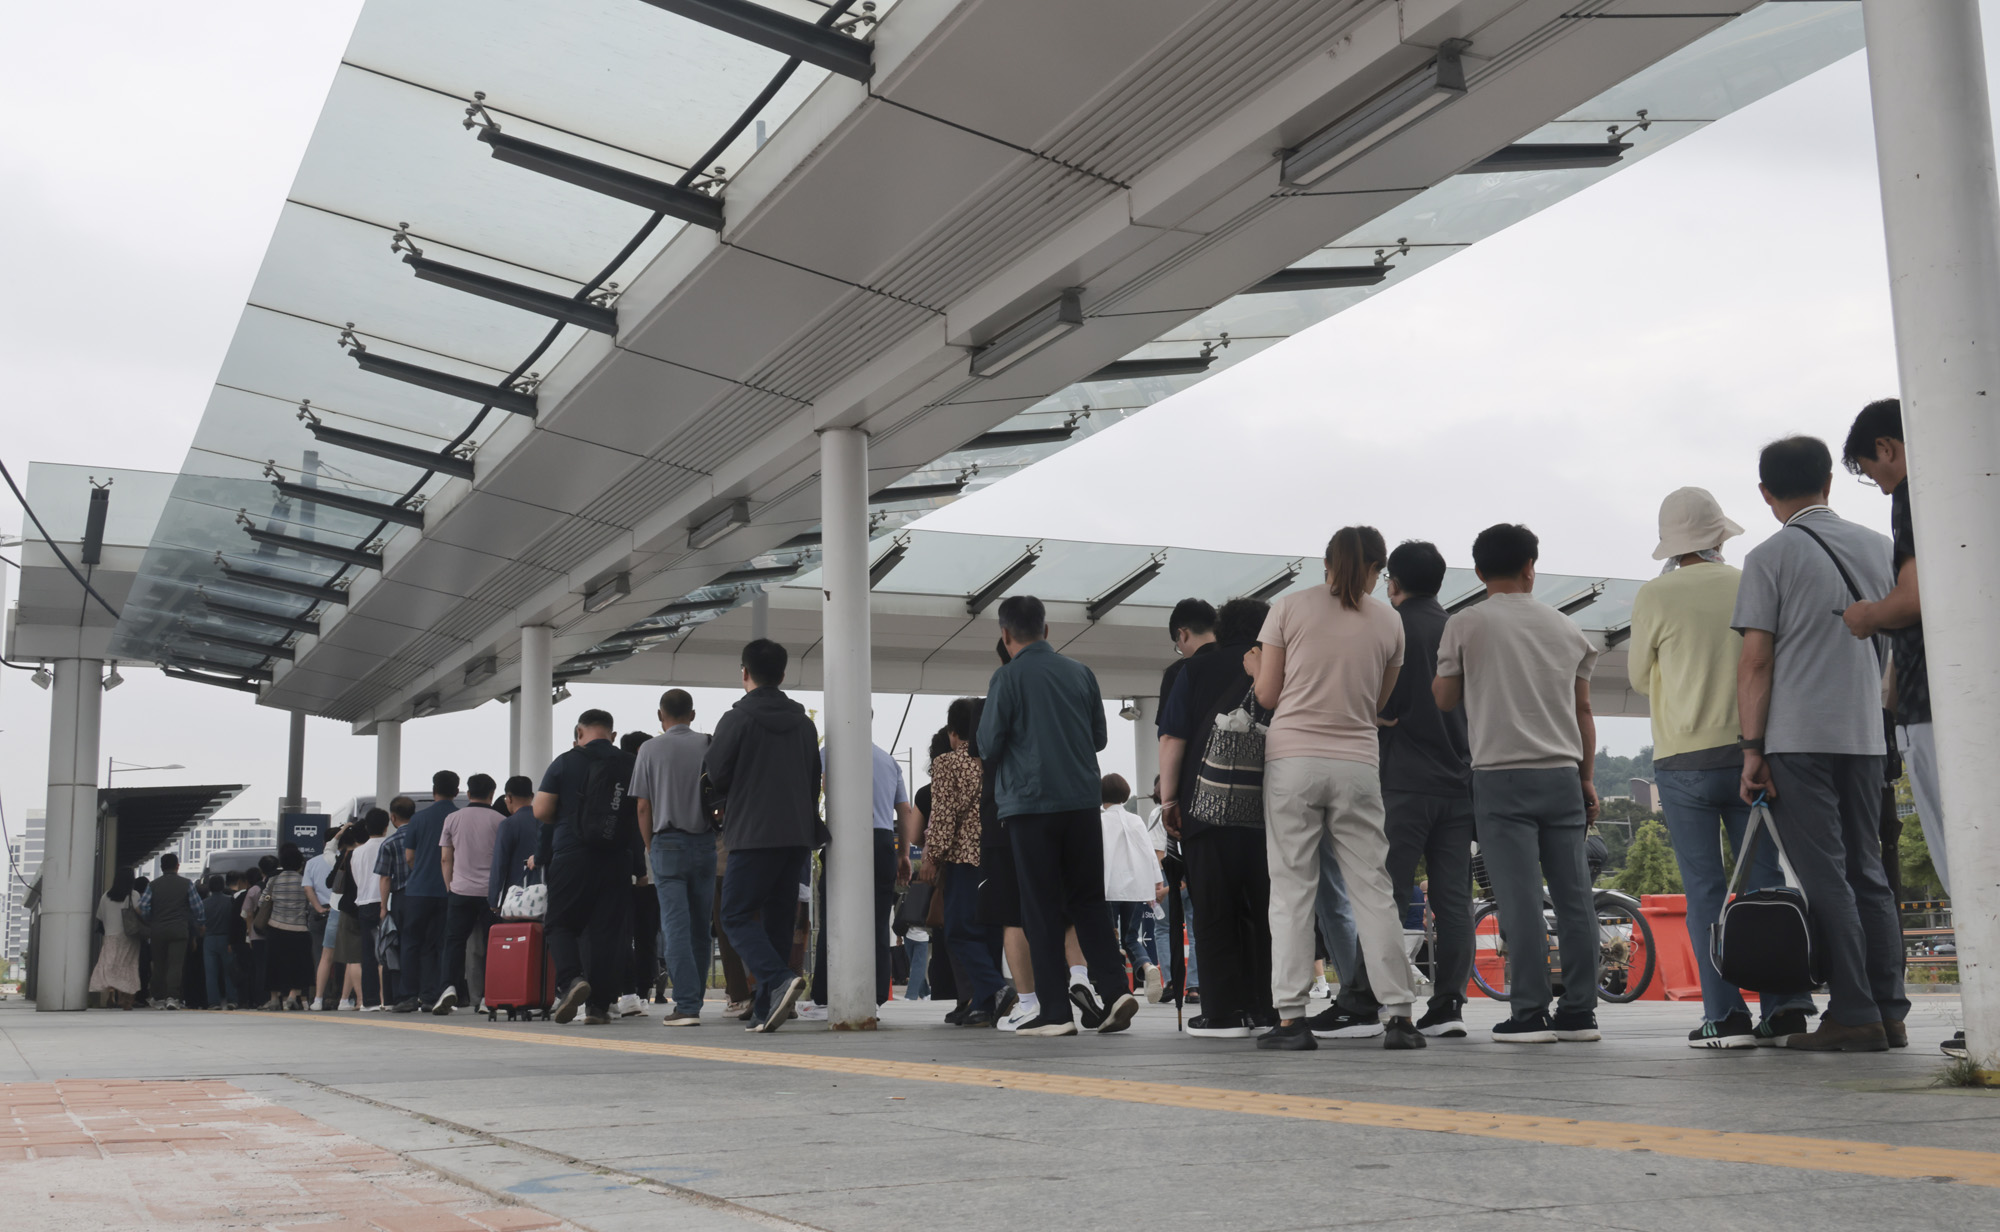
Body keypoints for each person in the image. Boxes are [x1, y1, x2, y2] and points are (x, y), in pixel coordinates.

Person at [1734, 435, 1906, 1052]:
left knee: (1824, 875)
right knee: (1870, 872)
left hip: (1797, 739)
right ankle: (1889, 1010)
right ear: (1829, 482)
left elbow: (1756, 662)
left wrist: (1751, 748)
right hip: (1864, 736)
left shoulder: (1769, 557)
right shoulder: (1881, 547)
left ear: (1766, 493)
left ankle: (1854, 1011)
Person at [1630, 488, 1818, 1048]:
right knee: (1762, 883)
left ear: (1672, 544)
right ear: (1718, 537)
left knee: (1706, 891)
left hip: (1681, 761)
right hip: (1748, 753)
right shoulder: (1746, 582)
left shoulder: (1654, 595)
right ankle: (1784, 1007)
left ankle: (1725, 1016)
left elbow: (1640, 678)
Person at [1253, 528, 1422, 1052]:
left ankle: (1290, 1018)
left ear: (1325, 562)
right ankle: (1398, 1014)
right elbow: (1378, 700)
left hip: (1292, 762)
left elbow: (1268, 693)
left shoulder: (1289, 607)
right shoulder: (1389, 620)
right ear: (1378, 568)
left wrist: (1256, 665)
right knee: (1372, 888)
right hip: (1357, 764)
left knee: (1293, 891)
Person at [1435, 523, 1602, 1045]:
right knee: (1575, 897)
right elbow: (1583, 710)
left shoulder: (1467, 623)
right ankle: (1580, 1012)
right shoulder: (1566, 628)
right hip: (1562, 775)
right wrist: (1587, 778)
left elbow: (1443, 698)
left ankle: (1529, 1012)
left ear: (1480, 572)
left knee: (1520, 897)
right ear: (1532, 566)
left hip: (1500, 777)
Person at [976, 594, 1138, 1038]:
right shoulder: (1080, 673)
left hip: (1030, 808)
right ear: (1047, 631)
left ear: (1005, 634)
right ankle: (1115, 987)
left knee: (1041, 907)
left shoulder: (1006, 678)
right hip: (1082, 803)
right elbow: (1100, 738)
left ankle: (1055, 1012)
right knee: (1087, 901)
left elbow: (988, 744)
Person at [1158, 597, 1277, 1039]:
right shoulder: (1278, 666)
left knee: (1213, 908)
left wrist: (1170, 801)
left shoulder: (1192, 671)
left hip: (1206, 807)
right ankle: (1268, 1008)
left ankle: (1223, 1013)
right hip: (1269, 808)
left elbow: (1172, 738)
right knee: (1267, 910)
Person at [1375, 541, 1477, 1039]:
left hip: (1403, 783)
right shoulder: (1459, 628)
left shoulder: (1393, 627)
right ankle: (1450, 1003)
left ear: (1393, 580)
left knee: (1388, 894)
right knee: (1453, 899)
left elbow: (1382, 705)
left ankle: (1386, 1002)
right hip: (1460, 782)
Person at [708, 639, 822, 1032]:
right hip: (797, 834)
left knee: (735, 913)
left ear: (744, 672)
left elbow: (717, 772)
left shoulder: (736, 719)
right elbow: (813, 780)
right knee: (777, 918)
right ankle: (764, 1009)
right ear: (783, 674)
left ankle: (777, 979)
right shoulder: (805, 724)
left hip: (753, 833)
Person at [533, 710, 640, 1026]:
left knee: (560, 922)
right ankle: (598, 1006)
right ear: (613, 735)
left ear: (579, 732)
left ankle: (571, 980)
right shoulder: (630, 763)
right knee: (608, 932)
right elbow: (642, 809)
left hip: (573, 853)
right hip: (618, 858)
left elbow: (540, 810)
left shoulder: (566, 761)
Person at [916, 698, 1014, 1027]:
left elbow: (944, 816)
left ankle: (997, 990)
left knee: (958, 929)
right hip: (998, 853)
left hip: (965, 857)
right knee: (989, 930)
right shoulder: (999, 759)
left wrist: (931, 858)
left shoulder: (949, 762)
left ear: (954, 732)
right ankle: (984, 1006)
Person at [806, 738, 920, 1018]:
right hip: (882, 840)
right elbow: (904, 809)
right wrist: (903, 854)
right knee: (878, 921)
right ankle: (877, 997)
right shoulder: (888, 760)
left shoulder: (829, 752)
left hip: (845, 835)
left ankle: (823, 997)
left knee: (833, 916)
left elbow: (814, 788)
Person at [630, 689, 716, 1027]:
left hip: (666, 843)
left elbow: (642, 805)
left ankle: (687, 1006)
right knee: (699, 927)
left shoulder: (649, 749)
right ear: (692, 714)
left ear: (659, 715)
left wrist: (650, 845)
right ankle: (692, 1001)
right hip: (705, 842)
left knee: (675, 925)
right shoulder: (709, 743)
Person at [439, 774, 508, 1015]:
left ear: (468, 794)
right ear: (492, 794)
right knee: (493, 944)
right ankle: (490, 995)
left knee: (455, 941)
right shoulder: (500, 820)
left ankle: (448, 987)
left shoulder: (452, 818)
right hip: (491, 894)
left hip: (460, 890)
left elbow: (446, 857)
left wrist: (450, 886)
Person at [402, 772, 460, 1014]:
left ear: (434, 790)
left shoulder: (418, 819)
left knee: (411, 943)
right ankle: (431, 996)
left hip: (418, 890)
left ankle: (406, 996)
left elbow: (409, 856)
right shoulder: (458, 817)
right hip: (449, 890)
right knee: (438, 945)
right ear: (457, 791)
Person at [1099, 774, 1162, 994]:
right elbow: (1149, 853)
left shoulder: (1101, 820)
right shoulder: (1136, 820)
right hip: (1135, 889)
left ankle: (1118, 988)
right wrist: (1156, 882)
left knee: (1107, 938)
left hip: (1109, 888)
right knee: (1130, 937)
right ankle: (1147, 965)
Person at [617, 730, 661, 1019]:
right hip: (654, 871)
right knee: (647, 937)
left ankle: (627, 991)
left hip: (623, 872)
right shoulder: (655, 779)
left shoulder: (618, 783)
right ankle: (643, 992)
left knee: (621, 935)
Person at [375, 796, 420, 1012]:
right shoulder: (424, 838)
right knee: (426, 943)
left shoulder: (389, 843)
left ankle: (406, 994)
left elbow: (385, 877)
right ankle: (427, 991)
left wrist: (384, 907)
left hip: (402, 898)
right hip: (426, 895)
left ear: (393, 817)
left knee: (403, 947)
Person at [140, 853, 201, 1009]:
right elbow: (198, 908)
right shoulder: (187, 884)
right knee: (175, 965)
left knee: (159, 964)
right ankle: (172, 997)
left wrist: (151, 920)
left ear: (161, 867)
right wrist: (197, 923)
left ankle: (158, 997)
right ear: (177, 866)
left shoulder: (153, 885)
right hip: (179, 930)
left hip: (158, 930)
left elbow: (143, 906)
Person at [261, 844, 314, 1011]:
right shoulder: (304, 881)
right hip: (298, 930)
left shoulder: (274, 880)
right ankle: (292, 995)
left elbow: (262, 902)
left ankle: (274, 998)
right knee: (299, 966)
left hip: (276, 928)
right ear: (299, 863)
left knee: (275, 965)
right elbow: (311, 904)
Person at [349, 810, 389, 1010]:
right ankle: (390, 999)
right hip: (386, 901)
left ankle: (370, 1001)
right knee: (390, 951)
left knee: (368, 954)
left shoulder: (357, 852)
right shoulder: (389, 845)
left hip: (364, 902)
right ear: (386, 826)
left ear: (366, 828)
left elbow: (357, 878)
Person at [90, 868, 142, 1010]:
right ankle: (126, 999)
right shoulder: (134, 895)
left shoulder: (106, 896)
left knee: (111, 966)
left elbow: (100, 917)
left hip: (110, 937)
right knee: (128, 966)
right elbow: (140, 913)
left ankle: (112, 994)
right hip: (128, 937)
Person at [489, 776, 541, 911]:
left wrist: (494, 900)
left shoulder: (508, 824)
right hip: (544, 894)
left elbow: (500, 864)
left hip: (516, 898)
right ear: (532, 796)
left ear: (509, 798)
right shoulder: (545, 822)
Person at [200, 876, 239, 1009]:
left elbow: (200, 923)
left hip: (209, 940)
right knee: (228, 972)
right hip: (226, 939)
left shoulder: (204, 903)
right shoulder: (230, 901)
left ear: (209, 887)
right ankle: (232, 1000)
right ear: (223, 886)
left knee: (211, 973)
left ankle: (213, 1002)